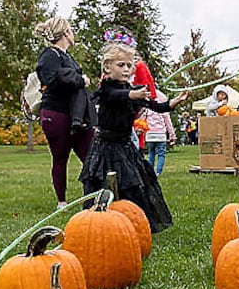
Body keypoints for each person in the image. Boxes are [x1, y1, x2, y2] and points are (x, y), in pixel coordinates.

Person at [79, 43, 189, 233]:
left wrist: (173, 102)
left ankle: (131, 223)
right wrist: (132, 94)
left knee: (134, 182)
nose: (126, 69)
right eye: (121, 65)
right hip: (105, 145)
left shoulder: (132, 89)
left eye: (129, 66)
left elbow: (156, 106)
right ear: (107, 67)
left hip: (125, 145)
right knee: (103, 183)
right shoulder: (106, 89)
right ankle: (99, 224)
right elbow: (116, 95)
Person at [35, 17, 96, 210]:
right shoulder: (49, 56)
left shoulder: (68, 57)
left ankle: (94, 196)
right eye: (71, 30)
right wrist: (80, 80)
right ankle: (61, 201)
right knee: (60, 157)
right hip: (57, 113)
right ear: (66, 33)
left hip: (76, 114)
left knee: (91, 155)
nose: (73, 33)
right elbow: (53, 81)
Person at [142, 91, 177, 175]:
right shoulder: (163, 111)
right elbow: (168, 122)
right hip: (161, 134)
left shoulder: (147, 110)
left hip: (150, 134)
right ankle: (158, 172)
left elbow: (142, 120)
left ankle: (150, 172)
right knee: (161, 154)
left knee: (151, 153)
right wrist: (172, 134)